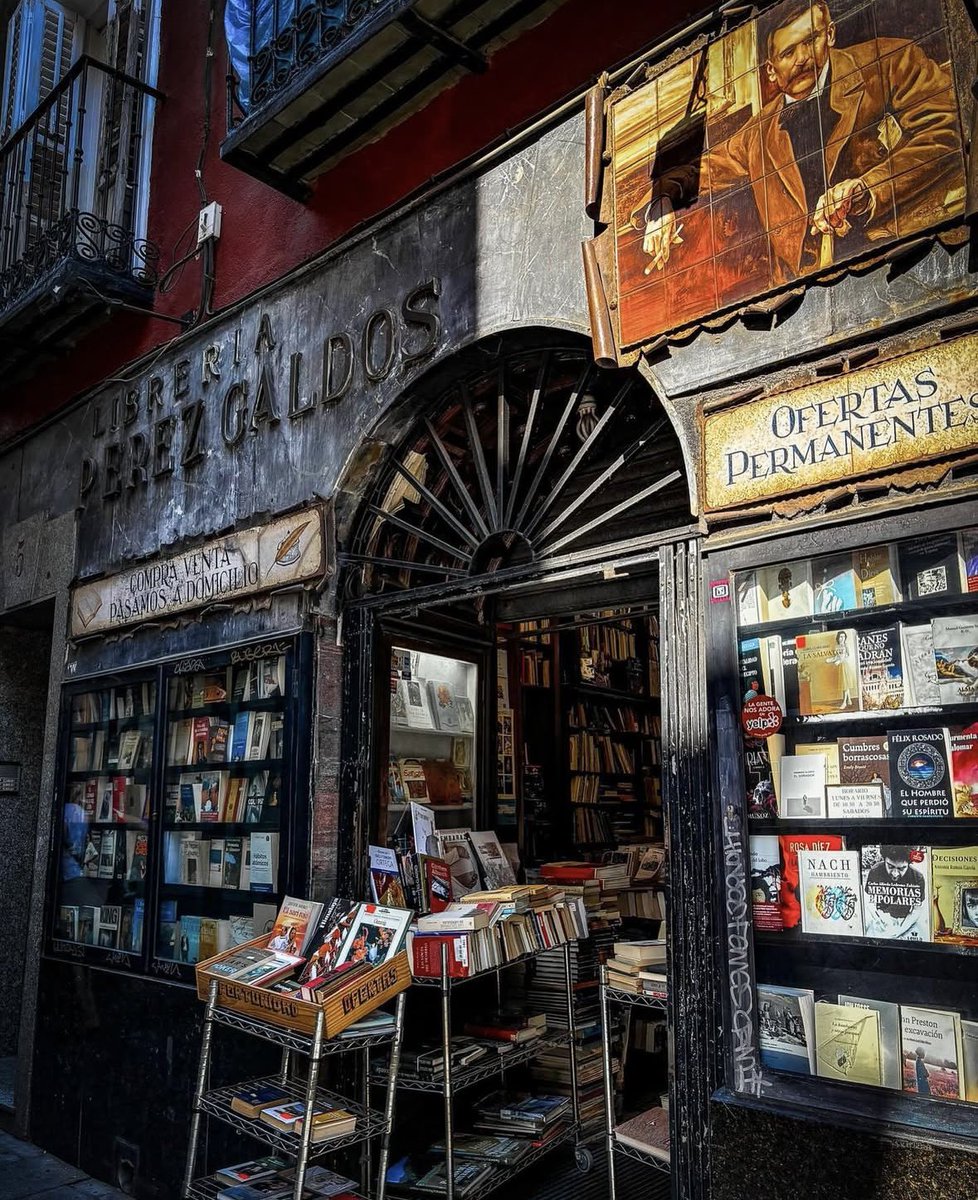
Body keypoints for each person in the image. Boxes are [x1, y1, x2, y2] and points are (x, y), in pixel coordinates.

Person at [632, 0, 962, 283]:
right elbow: (700, 171)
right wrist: (662, 203)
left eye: (812, 40)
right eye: (789, 52)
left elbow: (947, 126)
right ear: (771, 70)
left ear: (830, 34)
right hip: (801, 292)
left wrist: (868, 188)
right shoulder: (757, 132)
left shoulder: (890, 61)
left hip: (903, 263)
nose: (803, 58)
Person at [863, 845, 927, 939]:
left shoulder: (917, 878)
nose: (895, 874)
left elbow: (917, 910)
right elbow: (868, 901)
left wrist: (899, 930)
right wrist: (878, 918)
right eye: (890, 866)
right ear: (884, 859)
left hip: (906, 922)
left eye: (901, 868)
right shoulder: (875, 871)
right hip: (880, 919)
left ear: (909, 863)